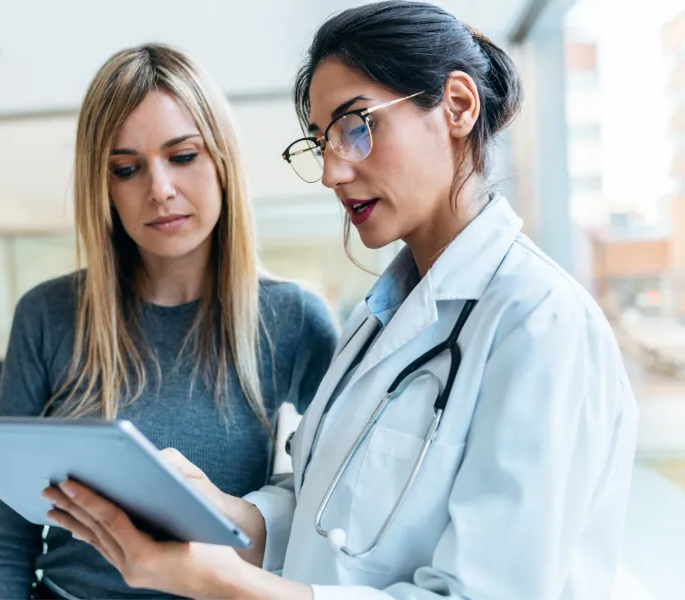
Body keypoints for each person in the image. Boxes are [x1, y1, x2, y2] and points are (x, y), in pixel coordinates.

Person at [41, 3, 639, 599]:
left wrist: (215, 580)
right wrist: (223, 512)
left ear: (457, 106)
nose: (331, 171)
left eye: (357, 126)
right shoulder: (379, 320)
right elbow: (321, 513)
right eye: (323, 141)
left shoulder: (540, 324)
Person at [0, 43, 338, 600]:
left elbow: (333, 506)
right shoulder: (48, 315)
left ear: (222, 160)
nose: (160, 189)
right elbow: (7, 542)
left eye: (184, 156)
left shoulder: (293, 318)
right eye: (127, 168)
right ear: (106, 186)